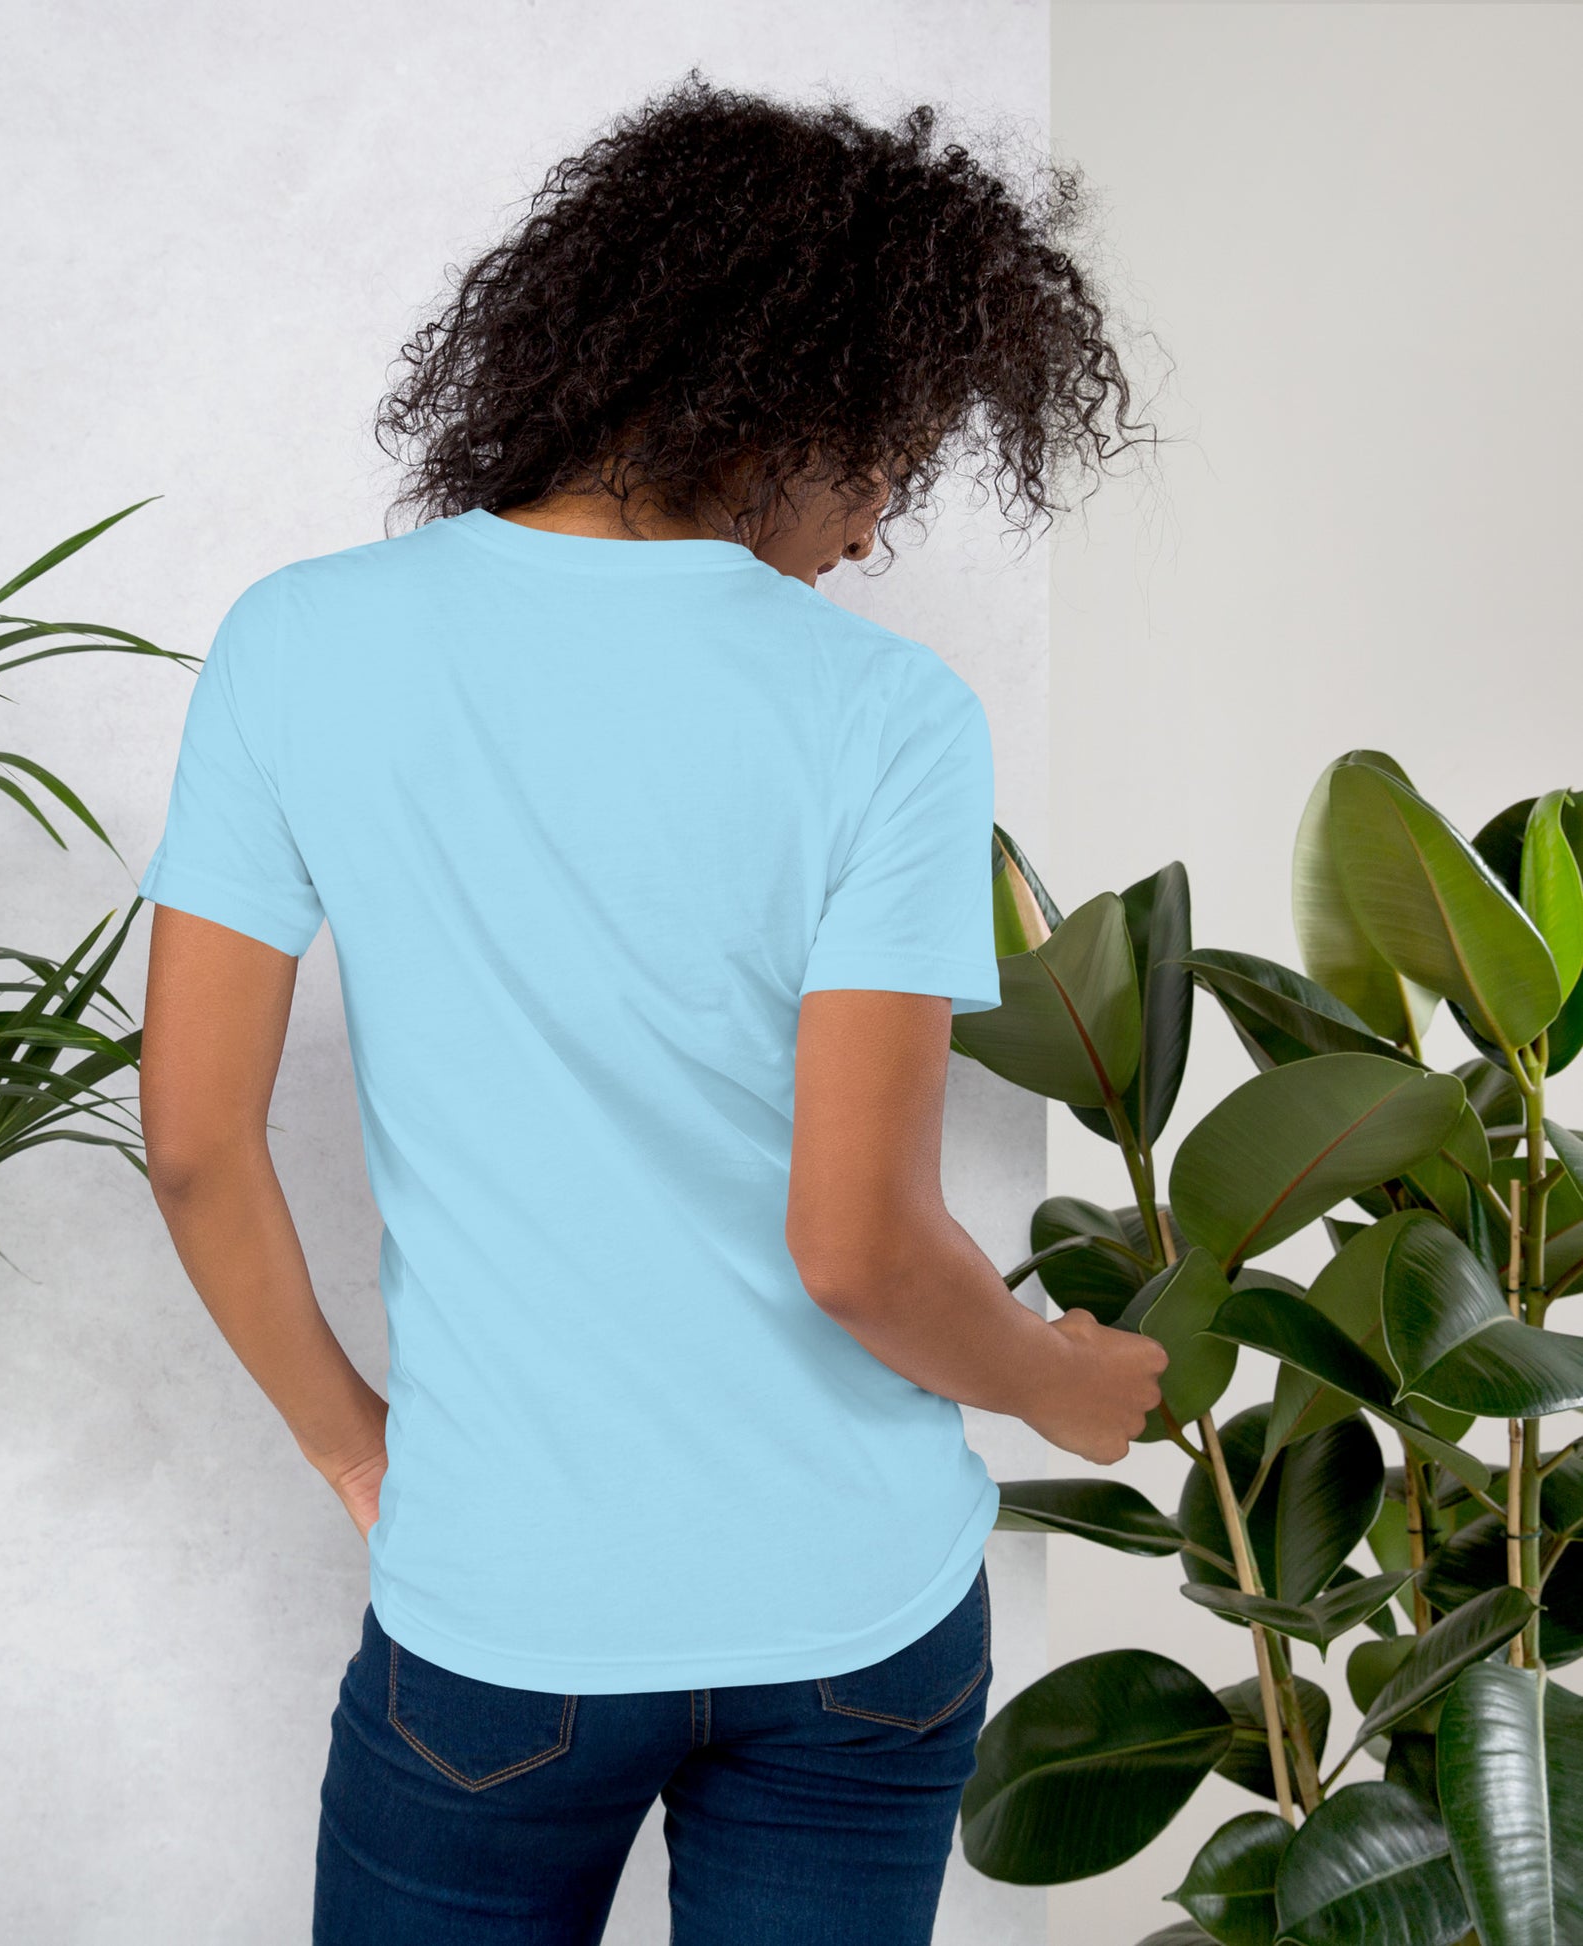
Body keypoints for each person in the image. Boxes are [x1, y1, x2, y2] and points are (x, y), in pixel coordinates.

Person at [138, 75, 1167, 1946]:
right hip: (850, 1627)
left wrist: (353, 1446)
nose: (869, 537)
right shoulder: (887, 718)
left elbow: (196, 1143)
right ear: (786, 398)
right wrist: (1062, 1381)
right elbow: (857, 1246)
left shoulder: (301, 641)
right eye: (887, 461)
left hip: (502, 1616)